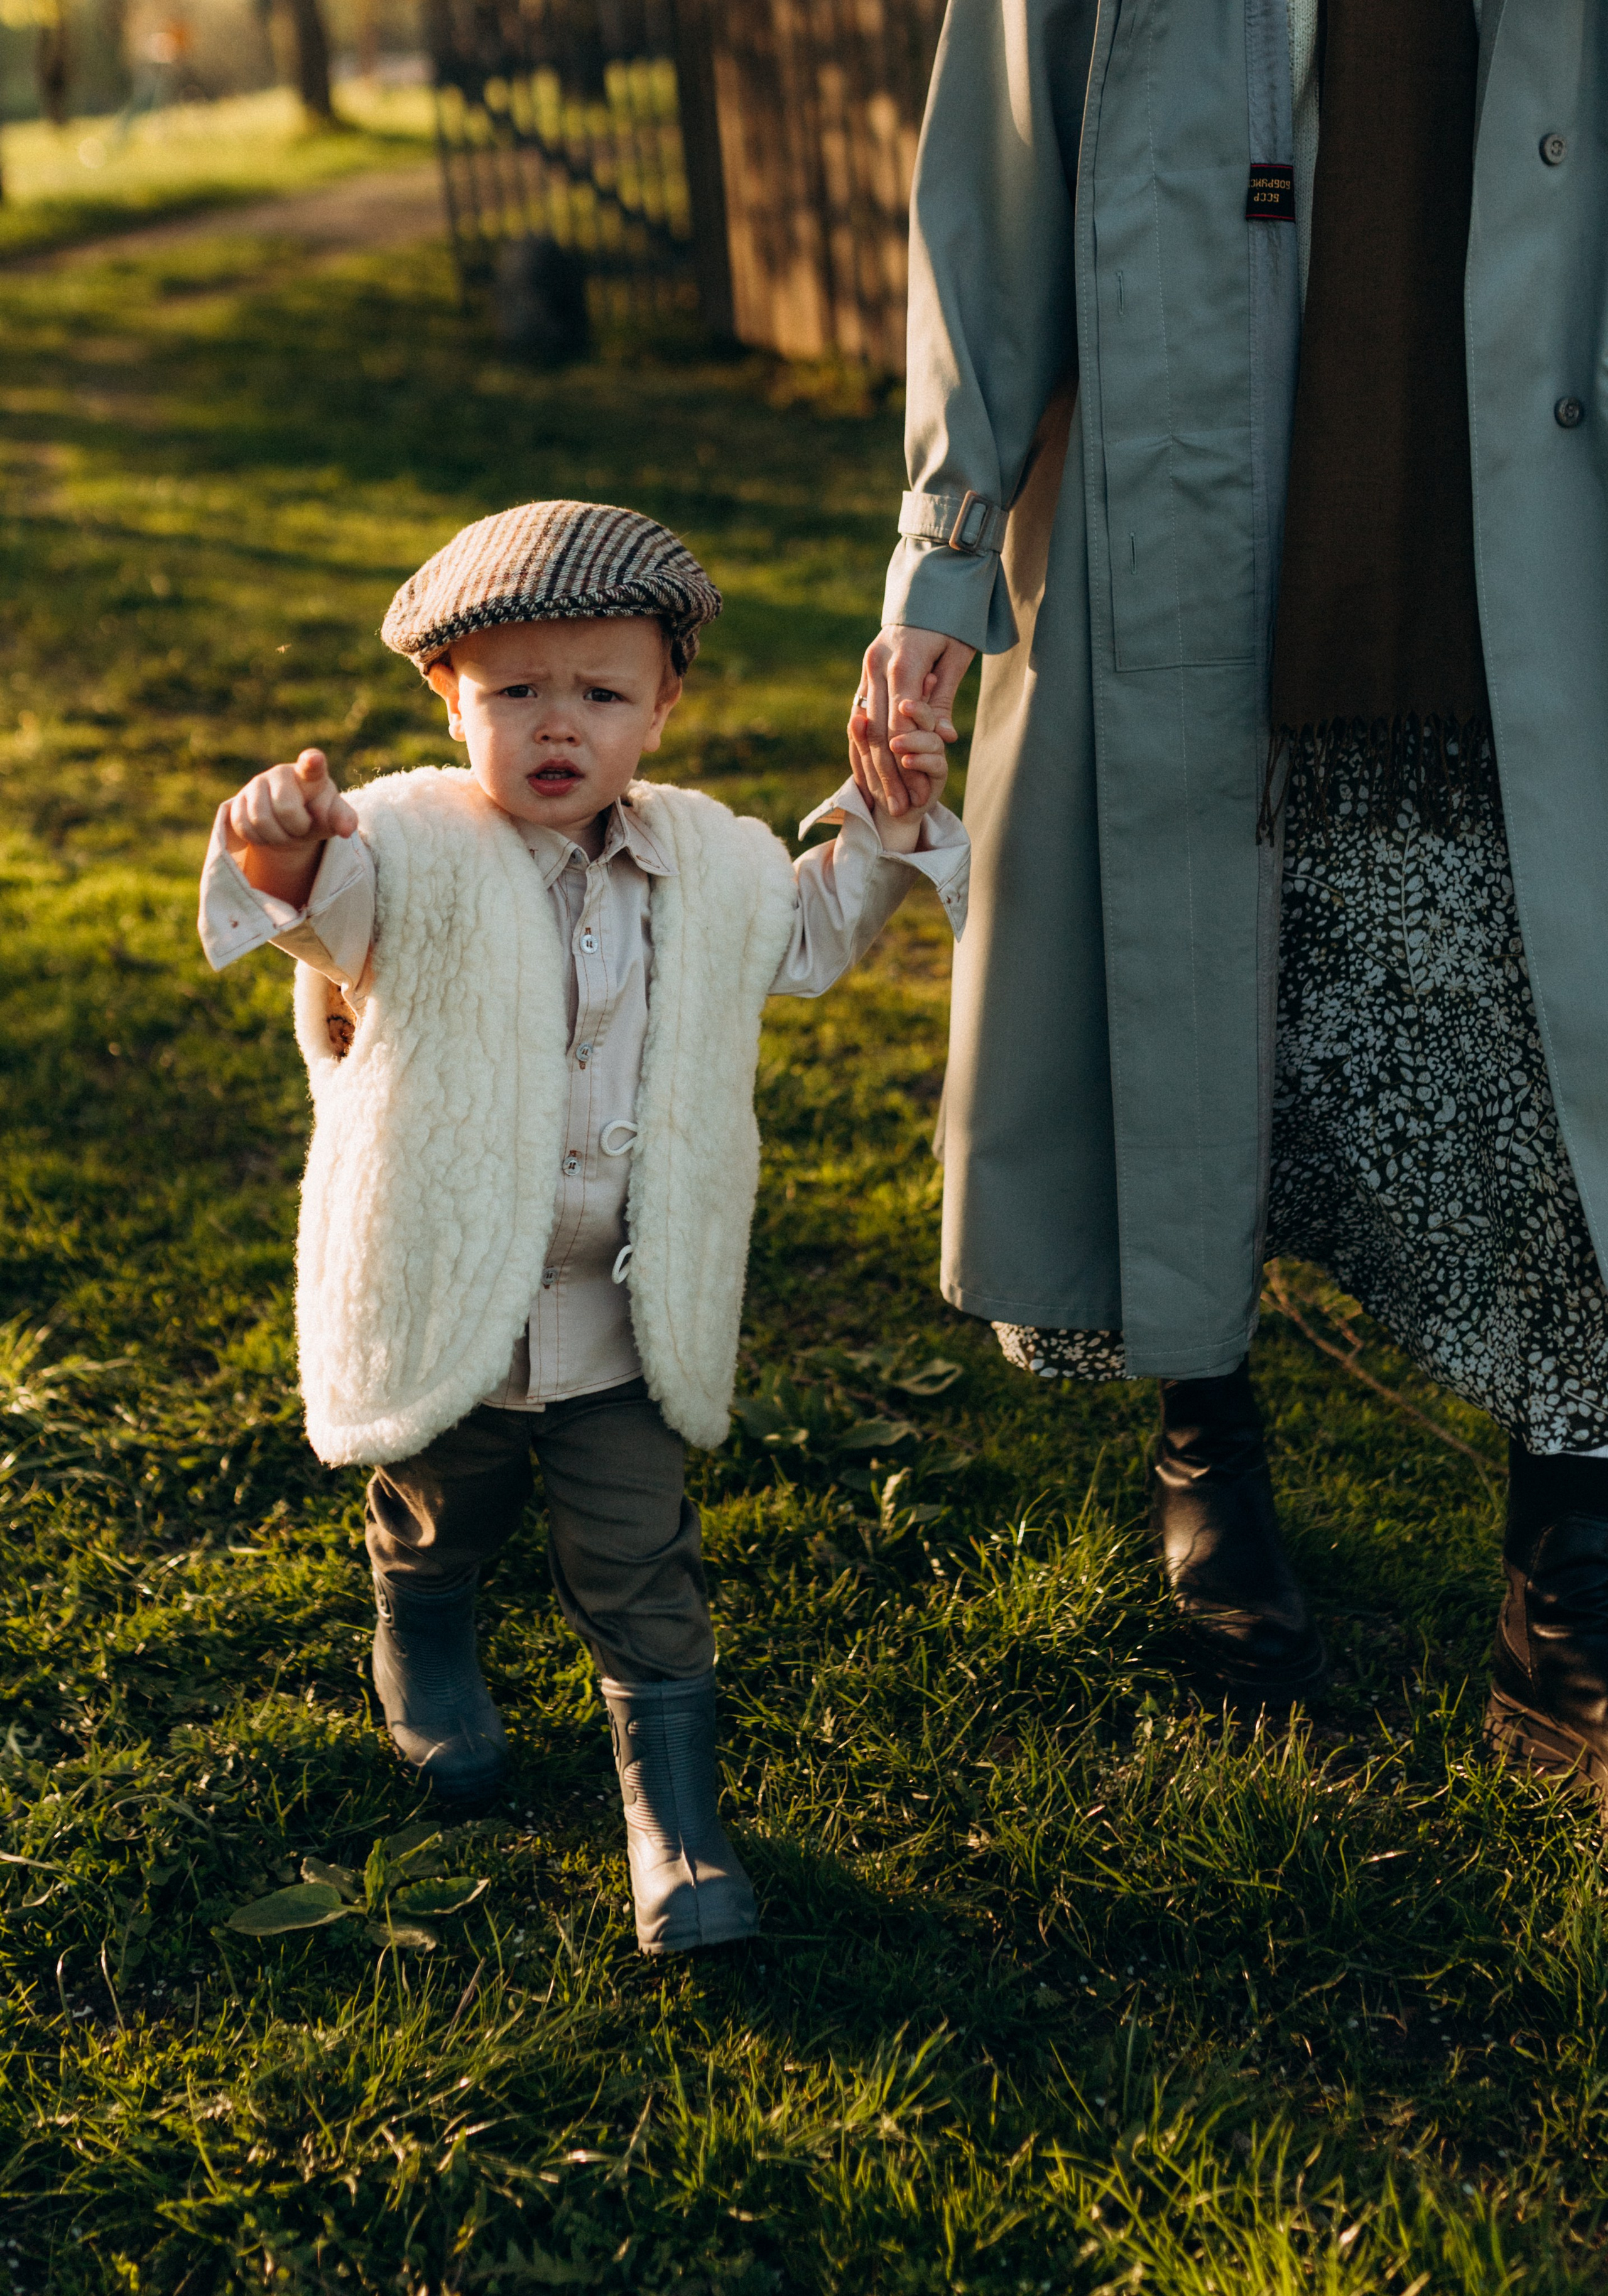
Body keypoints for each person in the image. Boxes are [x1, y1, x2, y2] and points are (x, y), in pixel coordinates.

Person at [854, 0, 1608, 1781]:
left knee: (1554, 1024)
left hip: (1522, 483)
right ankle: (1208, 1432)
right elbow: (998, 173)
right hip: (1188, 498)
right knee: (1198, 998)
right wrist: (940, 559)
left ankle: (1571, 1551)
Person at [198, 499, 967, 1951]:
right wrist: (283, 847)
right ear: (448, 694)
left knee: (641, 1565)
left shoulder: (715, 861)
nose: (560, 726)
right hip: (449, 1290)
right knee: (444, 1507)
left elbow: (805, 937)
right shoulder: (407, 847)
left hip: (620, 1318)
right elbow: (316, 913)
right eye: (515, 692)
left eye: (603, 694)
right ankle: (421, 1628)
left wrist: (889, 821)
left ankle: (673, 1827)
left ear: (665, 702)